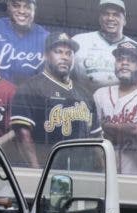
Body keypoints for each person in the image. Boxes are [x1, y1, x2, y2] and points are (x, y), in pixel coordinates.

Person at [11, 32, 96, 168]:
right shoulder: (30, 88)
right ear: (46, 55)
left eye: (69, 53)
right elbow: (23, 135)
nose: (64, 57)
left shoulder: (85, 94)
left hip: (81, 171)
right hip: (47, 170)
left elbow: (96, 138)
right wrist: (35, 171)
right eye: (58, 52)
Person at [92, 41, 137, 176]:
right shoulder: (100, 95)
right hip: (107, 179)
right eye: (120, 59)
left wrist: (105, 126)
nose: (124, 63)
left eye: (131, 60)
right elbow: (92, 136)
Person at [72, 0, 137, 94]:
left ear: (124, 20)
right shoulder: (80, 41)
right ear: (99, 18)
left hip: (124, 107)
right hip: (84, 106)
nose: (110, 18)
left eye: (116, 14)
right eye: (106, 14)